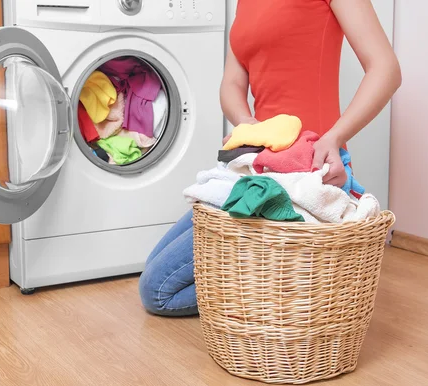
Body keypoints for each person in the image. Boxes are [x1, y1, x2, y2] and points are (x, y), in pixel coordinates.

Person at [138, 0, 401, 316]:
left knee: (157, 291)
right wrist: (247, 124)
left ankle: (282, 293)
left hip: (305, 173)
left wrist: (335, 136)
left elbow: (385, 69)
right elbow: (232, 84)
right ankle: (280, 289)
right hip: (260, 169)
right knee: (154, 268)